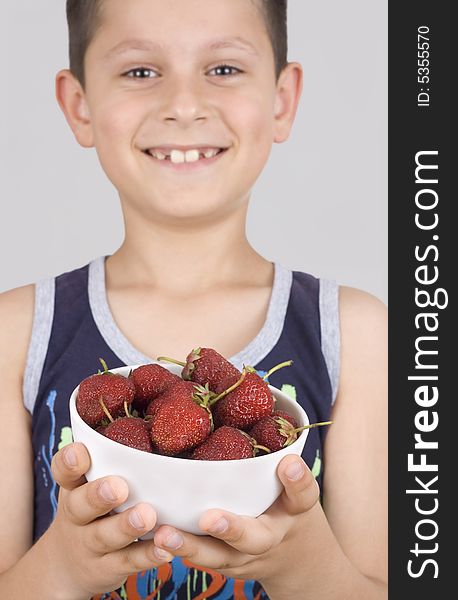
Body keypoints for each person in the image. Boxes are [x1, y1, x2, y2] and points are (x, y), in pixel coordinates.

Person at [0, 0, 387, 598]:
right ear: (79, 106)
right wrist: (64, 568)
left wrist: (301, 563)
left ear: (282, 99)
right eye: (140, 71)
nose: (183, 105)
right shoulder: (17, 333)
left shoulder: (355, 336)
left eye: (224, 69)